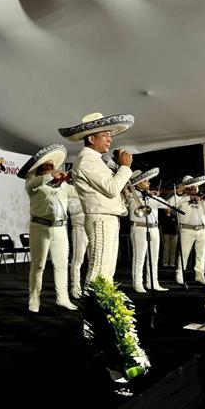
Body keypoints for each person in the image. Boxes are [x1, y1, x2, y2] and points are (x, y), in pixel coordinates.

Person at [58, 112, 134, 285]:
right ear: (92, 139)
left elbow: (110, 189)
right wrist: (125, 167)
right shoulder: (87, 160)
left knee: (107, 271)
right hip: (100, 218)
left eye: (110, 135)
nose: (110, 139)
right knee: (98, 270)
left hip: (108, 218)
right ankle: (93, 309)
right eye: (105, 135)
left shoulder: (97, 160)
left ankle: (102, 308)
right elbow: (111, 188)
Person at [18, 144, 78, 313]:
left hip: (60, 228)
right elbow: (32, 184)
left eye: (53, 164)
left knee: (61, 265)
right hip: (39, 227)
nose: (51, 166)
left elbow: (80, 191)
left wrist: (77, 177)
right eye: (47, 164)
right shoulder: (34, 183)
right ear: (40, 168)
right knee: (38, 265)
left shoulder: (64, 186)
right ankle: (34, 299)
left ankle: (63, 298)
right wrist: (51, 175)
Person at [172, 175, 205, 285]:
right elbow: (171, 204)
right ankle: (180, 275)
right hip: (186, 230)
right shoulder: (181, 198)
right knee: (184, 254)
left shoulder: (204, 199)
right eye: (191, 186)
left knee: (201, 254)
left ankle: (200, 276)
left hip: (202, 230)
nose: (194, 188)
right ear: (186, 188)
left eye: (195, 186)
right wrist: (188, 197)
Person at [127, 168, 169, 293]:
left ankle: (153, 282)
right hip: (139, 227)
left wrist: (155, 196)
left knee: (154, 258)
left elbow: (166, 204)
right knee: (139, 257)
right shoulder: (132, 195)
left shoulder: (150, 196)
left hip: (154, 228)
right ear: (137, 183)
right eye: (146, 181)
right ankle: (137, 283)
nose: (149, 183)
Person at [67, 184, 88, 298]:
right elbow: (73, 209)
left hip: (92, 227)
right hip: (79, 228)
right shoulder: (71, 190)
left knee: (94, 260)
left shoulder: (90, 188)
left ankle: (89, 287)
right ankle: (75, 287)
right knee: (77, 260)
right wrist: (87, 199)